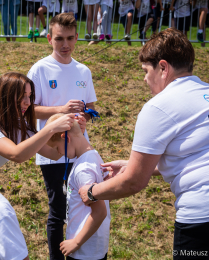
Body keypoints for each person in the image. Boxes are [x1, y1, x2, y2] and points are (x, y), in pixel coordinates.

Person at [79, 28, 209, 259]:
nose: (144, 78)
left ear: (163, 67)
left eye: (146, 71)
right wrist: (131, 164)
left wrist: (91, 192)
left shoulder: (159, 106)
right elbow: (192, 156)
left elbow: (133, 182)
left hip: (200, 218)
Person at [27, 13, 97, 260]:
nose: (65, 44)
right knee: (58, 211)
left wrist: (84, 118)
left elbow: (90, 107)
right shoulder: (39, 69)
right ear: (49, 39)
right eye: (59, 39)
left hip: (80, 152)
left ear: (77, 37)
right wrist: (60, 110)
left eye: (70, 38)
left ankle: (78, 251)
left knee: (80, 206)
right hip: (52, 152)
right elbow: (28, 109)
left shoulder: (83, 71)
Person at [0, 72, 82, 186]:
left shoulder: (19, 123)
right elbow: (16, 155)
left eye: (29, 96)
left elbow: (53, 154)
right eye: (23, 96)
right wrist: (51, 128)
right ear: (6, 96)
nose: (28, 102)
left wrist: (74, 133)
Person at [46, 114, 111, 260]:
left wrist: (76, 242)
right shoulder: (93, 156)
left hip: (84, 251)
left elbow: (100, 212)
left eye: (57, 147)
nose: (58, 153)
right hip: (92, 247)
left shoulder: (84, 169)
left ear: (66, 138)